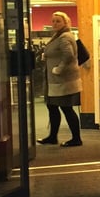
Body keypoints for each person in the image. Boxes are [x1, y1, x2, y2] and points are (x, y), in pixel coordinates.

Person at [38, 11, 83, 147]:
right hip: (54, 81)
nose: (55, 23)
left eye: (58, 21)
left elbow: (68, 55)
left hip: (63, 81)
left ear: (65, 22)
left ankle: (76, 139)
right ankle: (52, 136)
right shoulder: (57, 36)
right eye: (53, 21)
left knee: (66, 108)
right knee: (52, 107)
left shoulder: (64, 37)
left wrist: (59, 69)